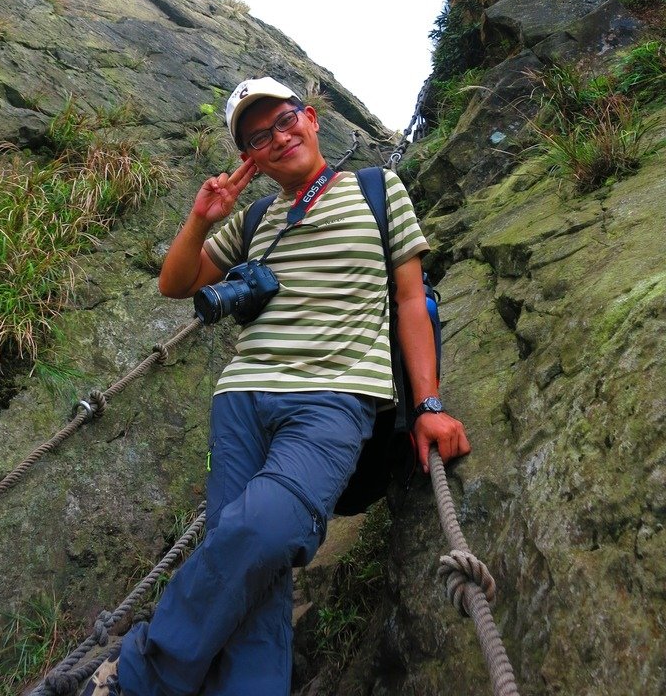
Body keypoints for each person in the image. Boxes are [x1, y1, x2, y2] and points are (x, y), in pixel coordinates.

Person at [87, 76, 470, 696]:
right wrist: (200, 219)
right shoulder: (255, 218)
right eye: (258, 136)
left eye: (284, 119)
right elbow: (175, 283)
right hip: (240, 400)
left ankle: (138, 675)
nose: (277, 136)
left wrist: (427, 404)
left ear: (311, 118)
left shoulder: (379, 189)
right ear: (251, 158)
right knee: (256, 584)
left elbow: (407, 300)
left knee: (265, 530)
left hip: (335, 398)